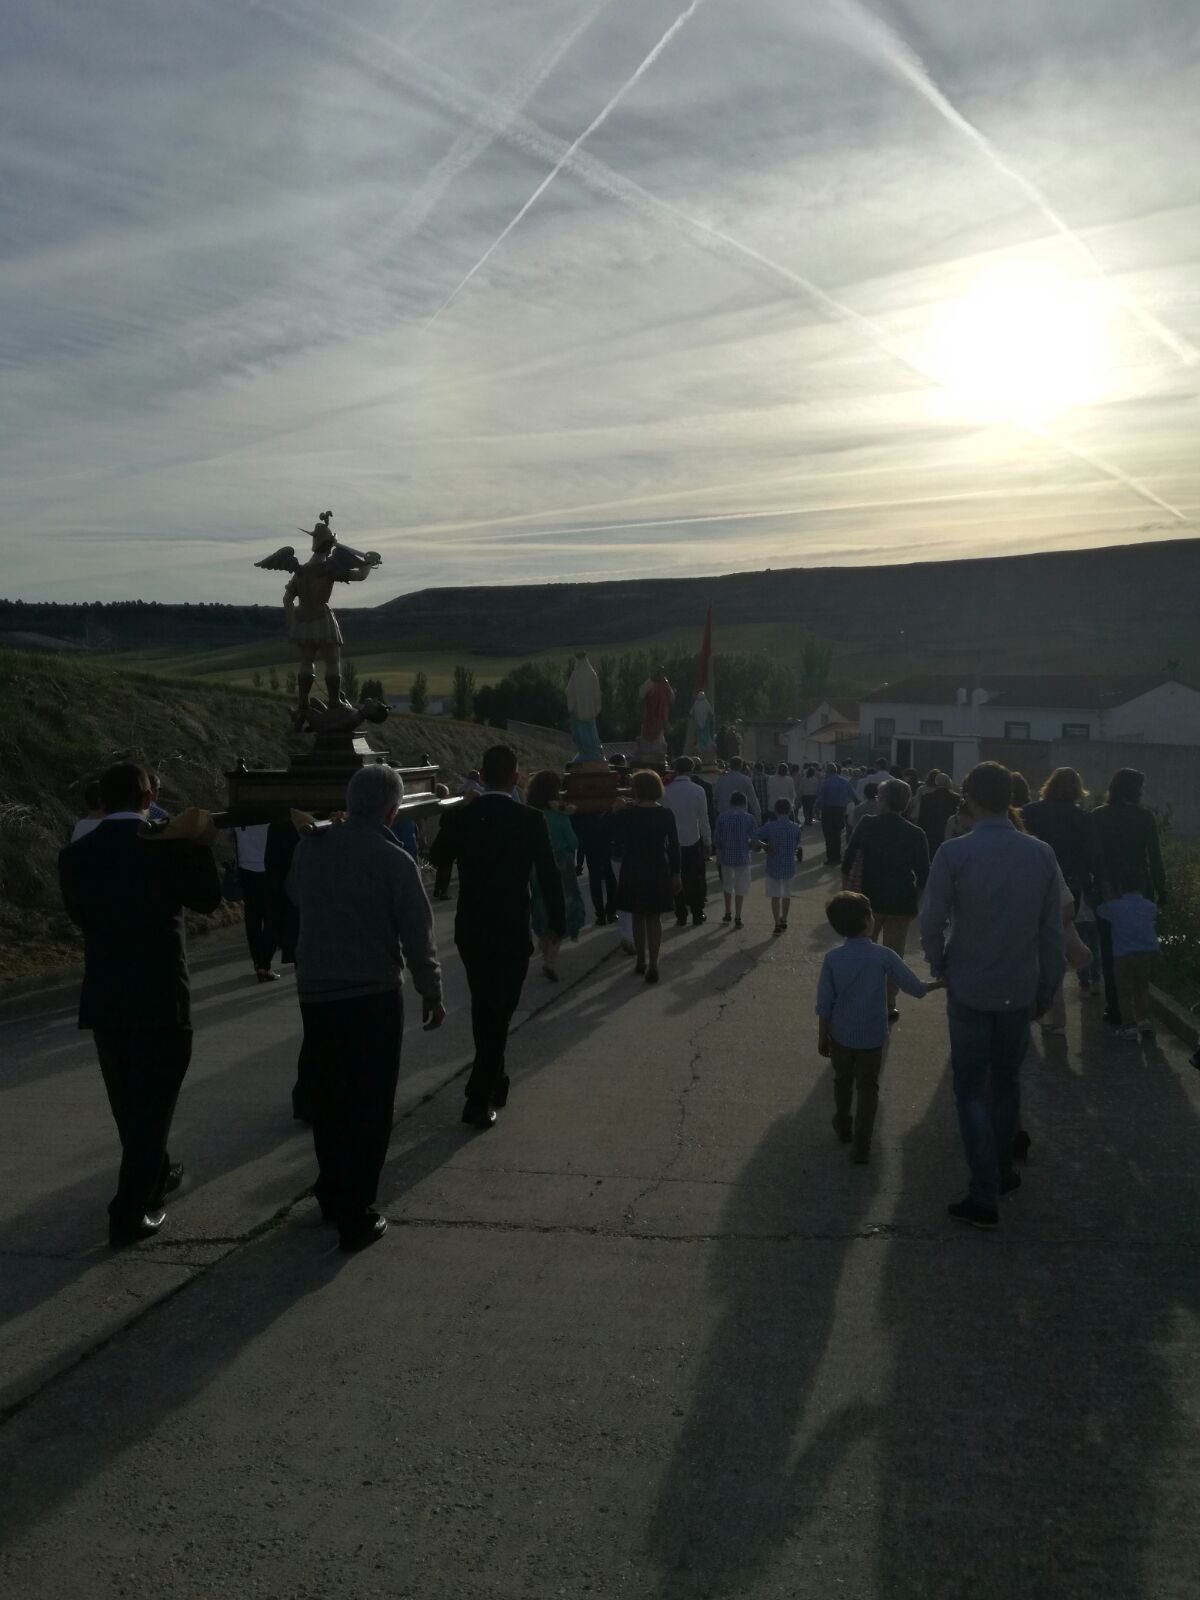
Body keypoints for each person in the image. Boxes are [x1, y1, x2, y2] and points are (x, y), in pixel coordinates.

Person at [58, 762, 221, 1247]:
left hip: (105, 992)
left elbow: (80, 916)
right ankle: (128, 1211)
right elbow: (208, 899)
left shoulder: (75, 855)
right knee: (154, 1102)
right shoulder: (165, 846)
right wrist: (201, 846)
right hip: (160, 991)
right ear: (148, 798)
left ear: (102, 800)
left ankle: (156, 1171)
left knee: (128, 1101)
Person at [288, 765, 444, 1252]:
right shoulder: (394, 859)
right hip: (371, 994)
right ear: (392, 811)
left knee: (331, 1098)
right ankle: (356, 1211)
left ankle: (332, 1191)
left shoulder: (311, 846)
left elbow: (293, 893)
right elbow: (417, 933)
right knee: (370, 1102)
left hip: (317, 991)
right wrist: (431, 989)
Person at [920, 762, 1065, 1229]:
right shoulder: (1040, 853)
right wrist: (1048, 986)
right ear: (1011, 798)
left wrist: (938, 960)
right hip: (1019, 987)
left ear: (970, 798)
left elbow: (931, 918)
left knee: (969, 1089)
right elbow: (1051, 932)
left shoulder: (954, 852)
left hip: (969, 985)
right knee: (1006, 1083)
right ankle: (1001, 1171)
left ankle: (983, 1192)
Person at [429, 745, 565, 1128]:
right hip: (510, 924)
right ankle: (478, 1095)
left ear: (483, 775)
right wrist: (556, 923)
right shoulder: (530, 819)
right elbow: (548, 873)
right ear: (515, 778)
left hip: (472, 925)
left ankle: (496, 1077)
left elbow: (437, 858)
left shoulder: (462, 816)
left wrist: (452, 817)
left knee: (486, 1005)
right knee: (499, 1007)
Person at [817, 891, 936, 1164]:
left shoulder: (833, 958)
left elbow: (824, 1002)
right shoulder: (884, 956)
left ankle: (843, 1122)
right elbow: (915, 988)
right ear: (867, 921)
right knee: (868, 1089)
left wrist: (823, 1035)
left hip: (841, 1034)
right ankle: (862, 1145)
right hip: (872, 1036)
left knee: (842, 1080)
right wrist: (941, 982)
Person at [842, 778, 931, 1022]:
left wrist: (846, 893)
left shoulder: (867, 824)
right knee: (894, 957)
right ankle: (889, 1003)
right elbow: (924, 874)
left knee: (862, 954)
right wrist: (915, 900)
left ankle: (863, 998)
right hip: (901, 903)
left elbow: (848, 860)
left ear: (882, 800)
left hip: (867, 902)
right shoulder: (915, 833)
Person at [1091, 768, 1168, 1026]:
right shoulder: (1145, 817)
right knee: (1139, 945)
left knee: (1110, 948)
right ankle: (1141, 1010)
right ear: (1135, 790)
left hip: (1108, 888)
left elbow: (1094, 855)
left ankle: (1115, 1008)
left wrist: (1099, 883)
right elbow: (1154, 857)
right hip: (1139, 887)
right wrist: (1162, 891)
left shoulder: (1098, 816)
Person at [613, 769, 682, 982]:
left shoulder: (627, 814)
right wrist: (676, 873)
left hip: (633, 866)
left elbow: (607, 832)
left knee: (637, 915)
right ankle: (654, 962)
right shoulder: (666, 814)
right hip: (657, 867)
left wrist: (614, 811)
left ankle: (640, 959)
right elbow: (674, 846)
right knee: (654, 917)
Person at [525, 770, 586, 981]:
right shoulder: (560, 816)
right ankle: (550, 958)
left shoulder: (529, 814)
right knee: (564, 906)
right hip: (561, 864)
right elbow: (573, 841)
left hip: (535, 865)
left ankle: (544, 942)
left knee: (540, 903)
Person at [1097, 876, 1160, 1041]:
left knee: (1124, 991)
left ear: (1120, 888)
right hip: (1145, 953)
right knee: (1142, 987)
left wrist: (1110, 895)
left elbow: (1100, 911)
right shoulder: (1149, 906)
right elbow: (1155, 913)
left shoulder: (1115, 906)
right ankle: (1144, 1021)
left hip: (1123, 955)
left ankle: (1129, 1025)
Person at [663, 756, 712, 928]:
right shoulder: (698, 790)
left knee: (677, 877)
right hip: (693, 838)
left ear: (676, 769)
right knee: (696, 878)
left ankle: (681, 914)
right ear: (691, 770)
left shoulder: (666, 791)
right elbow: (704, 818)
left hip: (673, 841)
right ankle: (698, 913)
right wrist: (708, 841)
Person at [231, 823, 280, 982]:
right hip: (268, 865)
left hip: (246, 866)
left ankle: (259, 962)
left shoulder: (238, 815)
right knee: (272, 917)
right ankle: (264, 963)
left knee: (253, 918)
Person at [757, 798, 803, 933]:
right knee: (786, 895)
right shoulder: (796, 828)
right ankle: (784, 919)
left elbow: (755, 837)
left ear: (775, 811)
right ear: (790, 811)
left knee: (775, 897)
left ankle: (777, 923)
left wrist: (765, 845)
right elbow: (797, 844)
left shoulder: (769, 826)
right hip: (789, 865)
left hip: (773, 865)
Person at [714, 790, 758, 928]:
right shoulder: (749, 818)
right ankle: (738, 916)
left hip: (726, 857)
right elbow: (754, 839)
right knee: (740, 887)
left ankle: (727, 912)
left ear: (731, 802)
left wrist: (719, 852)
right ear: (744, 803)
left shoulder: (722, 817)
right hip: (742, 857)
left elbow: (717, 839)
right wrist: (751, 847)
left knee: (727, 885)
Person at [814, 762, 856, 866]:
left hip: (827, 811)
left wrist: (816, 810)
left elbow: (820, 798)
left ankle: (830, 858)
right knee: (837, 834)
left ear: (828, 771)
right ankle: (837, 858)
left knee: (829, 835)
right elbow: (853, 795)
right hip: (840, 811)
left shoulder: (825, 782)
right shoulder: (845, 782)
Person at [916, 772, 960, 855]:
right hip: (947, 833)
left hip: (930, 834)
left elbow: (921, 819)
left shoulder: (926, 797)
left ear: (936, 782)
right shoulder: (956, 798)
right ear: (948, 782)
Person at [715, 757, 761, 821]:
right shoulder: (746, 780)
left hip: (724, 814)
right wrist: (758, 816)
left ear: (730, 765)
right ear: (741, 766)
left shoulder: (721, 780)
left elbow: (716, 797)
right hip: (741, 815)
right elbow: (753, 800)